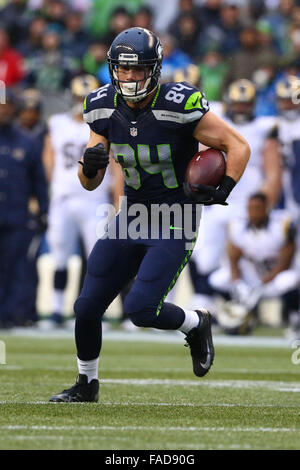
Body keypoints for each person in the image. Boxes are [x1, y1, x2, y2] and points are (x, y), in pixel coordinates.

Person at [49, 27, 250, 403]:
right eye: (121, 69)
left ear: (154, 70)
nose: (127, 77)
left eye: (136, 69)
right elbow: (89, 183)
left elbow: (237, 144)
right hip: (133, 213)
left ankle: (195, 323)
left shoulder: (179, 104)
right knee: (86, 306)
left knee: (141, 309)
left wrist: (227, 185)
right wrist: (90, 165)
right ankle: (86, 384)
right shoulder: (102, 105)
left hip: (176, 215)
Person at [188, 79, 282, 314]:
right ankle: (205, 301)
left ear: (253, 104)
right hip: (216, 201)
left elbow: (272, 171)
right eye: (237, 103)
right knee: (202, 255)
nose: (240, 108)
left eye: (245, 104)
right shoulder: (214, 118)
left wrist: (265, 205)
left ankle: (245, 309)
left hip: (247, 203)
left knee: (246, 260)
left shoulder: (265, 127)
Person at [43, 74, 123, 327]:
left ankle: (98, 310)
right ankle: (57, 310)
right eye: (79, 98)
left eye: (85, 98)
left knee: (98, 258)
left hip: (95, 199)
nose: (81, 103)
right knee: (60, 254)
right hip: (64, 197)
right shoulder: (57, 123)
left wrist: (117, 197)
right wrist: (55, 187)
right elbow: (50, 157)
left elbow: (116, 165)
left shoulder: (106, 125)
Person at [209, 193, 299, 336]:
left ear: (267, 208)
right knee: (217, 279)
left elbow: (284, 263)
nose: (253, 212)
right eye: (250, 208)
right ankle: (240, 313)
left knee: (287, 281)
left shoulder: (282, 225)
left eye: (257, 208)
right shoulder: (237, 226)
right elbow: (233, 257)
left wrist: (261, 284)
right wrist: (237, 281)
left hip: (272, 281)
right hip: (249, 280)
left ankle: (295, 320)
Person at [0, 90, 48, 328]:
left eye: (7, 106)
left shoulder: (26, 142)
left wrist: (44, 210)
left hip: (17, 214)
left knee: (17, 266)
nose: (3, 111)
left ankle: (12, 315)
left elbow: (39, 180)